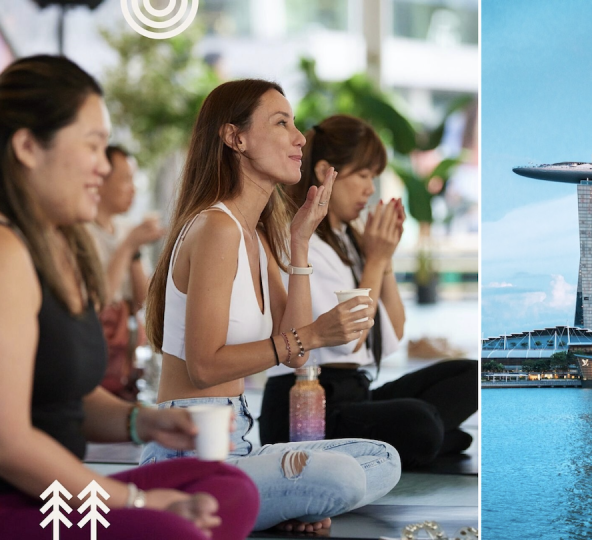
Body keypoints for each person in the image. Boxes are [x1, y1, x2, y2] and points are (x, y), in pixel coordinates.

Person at [0, 55, 259, 540]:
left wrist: (147, 424)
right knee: (173, 528)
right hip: (17, 499)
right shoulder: (5, 253)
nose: (104, 166)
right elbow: (9, 443)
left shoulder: (60, 244)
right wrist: (136, 501)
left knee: (229, 487)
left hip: (57, 495)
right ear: (28, 147)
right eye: (93, 146)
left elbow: (66, 400)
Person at [141, 80, 401, 533]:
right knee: (339, 476)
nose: (299, 137)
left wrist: (299, 246)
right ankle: (255, 502)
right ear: (234, 138)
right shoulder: (215, 228)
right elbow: (204, 367)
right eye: (282, 123)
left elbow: (297, 357)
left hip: (237, 441)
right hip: (190, 451)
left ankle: (273, 502)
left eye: (294, 124)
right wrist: (316, 334)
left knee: (383, 458)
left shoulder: (256, 236)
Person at [259, 114, 478, 469]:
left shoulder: (347, 240)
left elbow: (392, 339)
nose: (369, 189)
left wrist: (383, 259)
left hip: (356, 392)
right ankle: (427, 439)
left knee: (469, 376)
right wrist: (374, 262)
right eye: (362, 175)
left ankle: (425, 440)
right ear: (325, 171)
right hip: (307, 403)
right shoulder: (300, 241)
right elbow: (350, 340)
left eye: (373, 178)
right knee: (420, 422)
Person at [88, 145, 164, 401]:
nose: (133, 189)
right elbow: (100, 299)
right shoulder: (82, 232)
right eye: (125, 179)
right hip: (95, 350)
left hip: (124, 355)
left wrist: (135, 247)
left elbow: (142, 300)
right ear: (101, 179)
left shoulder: (125, 228)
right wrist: (130, 244)